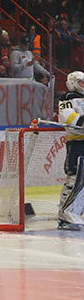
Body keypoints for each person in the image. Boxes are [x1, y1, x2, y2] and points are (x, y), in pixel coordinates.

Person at [57, 71, 84, 229]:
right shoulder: (67, 98)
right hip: (76, 143)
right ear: (73, 82)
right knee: (74, 178)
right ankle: (64, 216)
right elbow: (68, 118)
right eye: (81, 82)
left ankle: (75, 212)